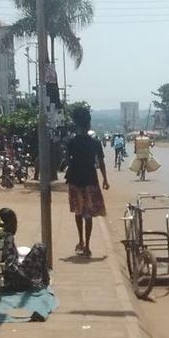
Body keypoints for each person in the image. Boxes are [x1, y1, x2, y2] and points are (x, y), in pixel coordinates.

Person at [65, 107, 109, 256]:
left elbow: (66, 161)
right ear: (89, 124)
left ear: (76, 124)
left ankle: (81, 240)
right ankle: (88, 246)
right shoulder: (95, 142)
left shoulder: (71, 142)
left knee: (78, 212)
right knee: (88, 214)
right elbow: (101, 163)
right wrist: (105, 180)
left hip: (75, 180)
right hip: (90, 180)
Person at [0, 208, 49, 291]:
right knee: (40, 247)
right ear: (6, 224)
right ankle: (45, 282)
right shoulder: (7, 237)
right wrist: (29, 281)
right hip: (10, 282)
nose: (15, 226)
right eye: (14, 223)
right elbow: (10, 268)